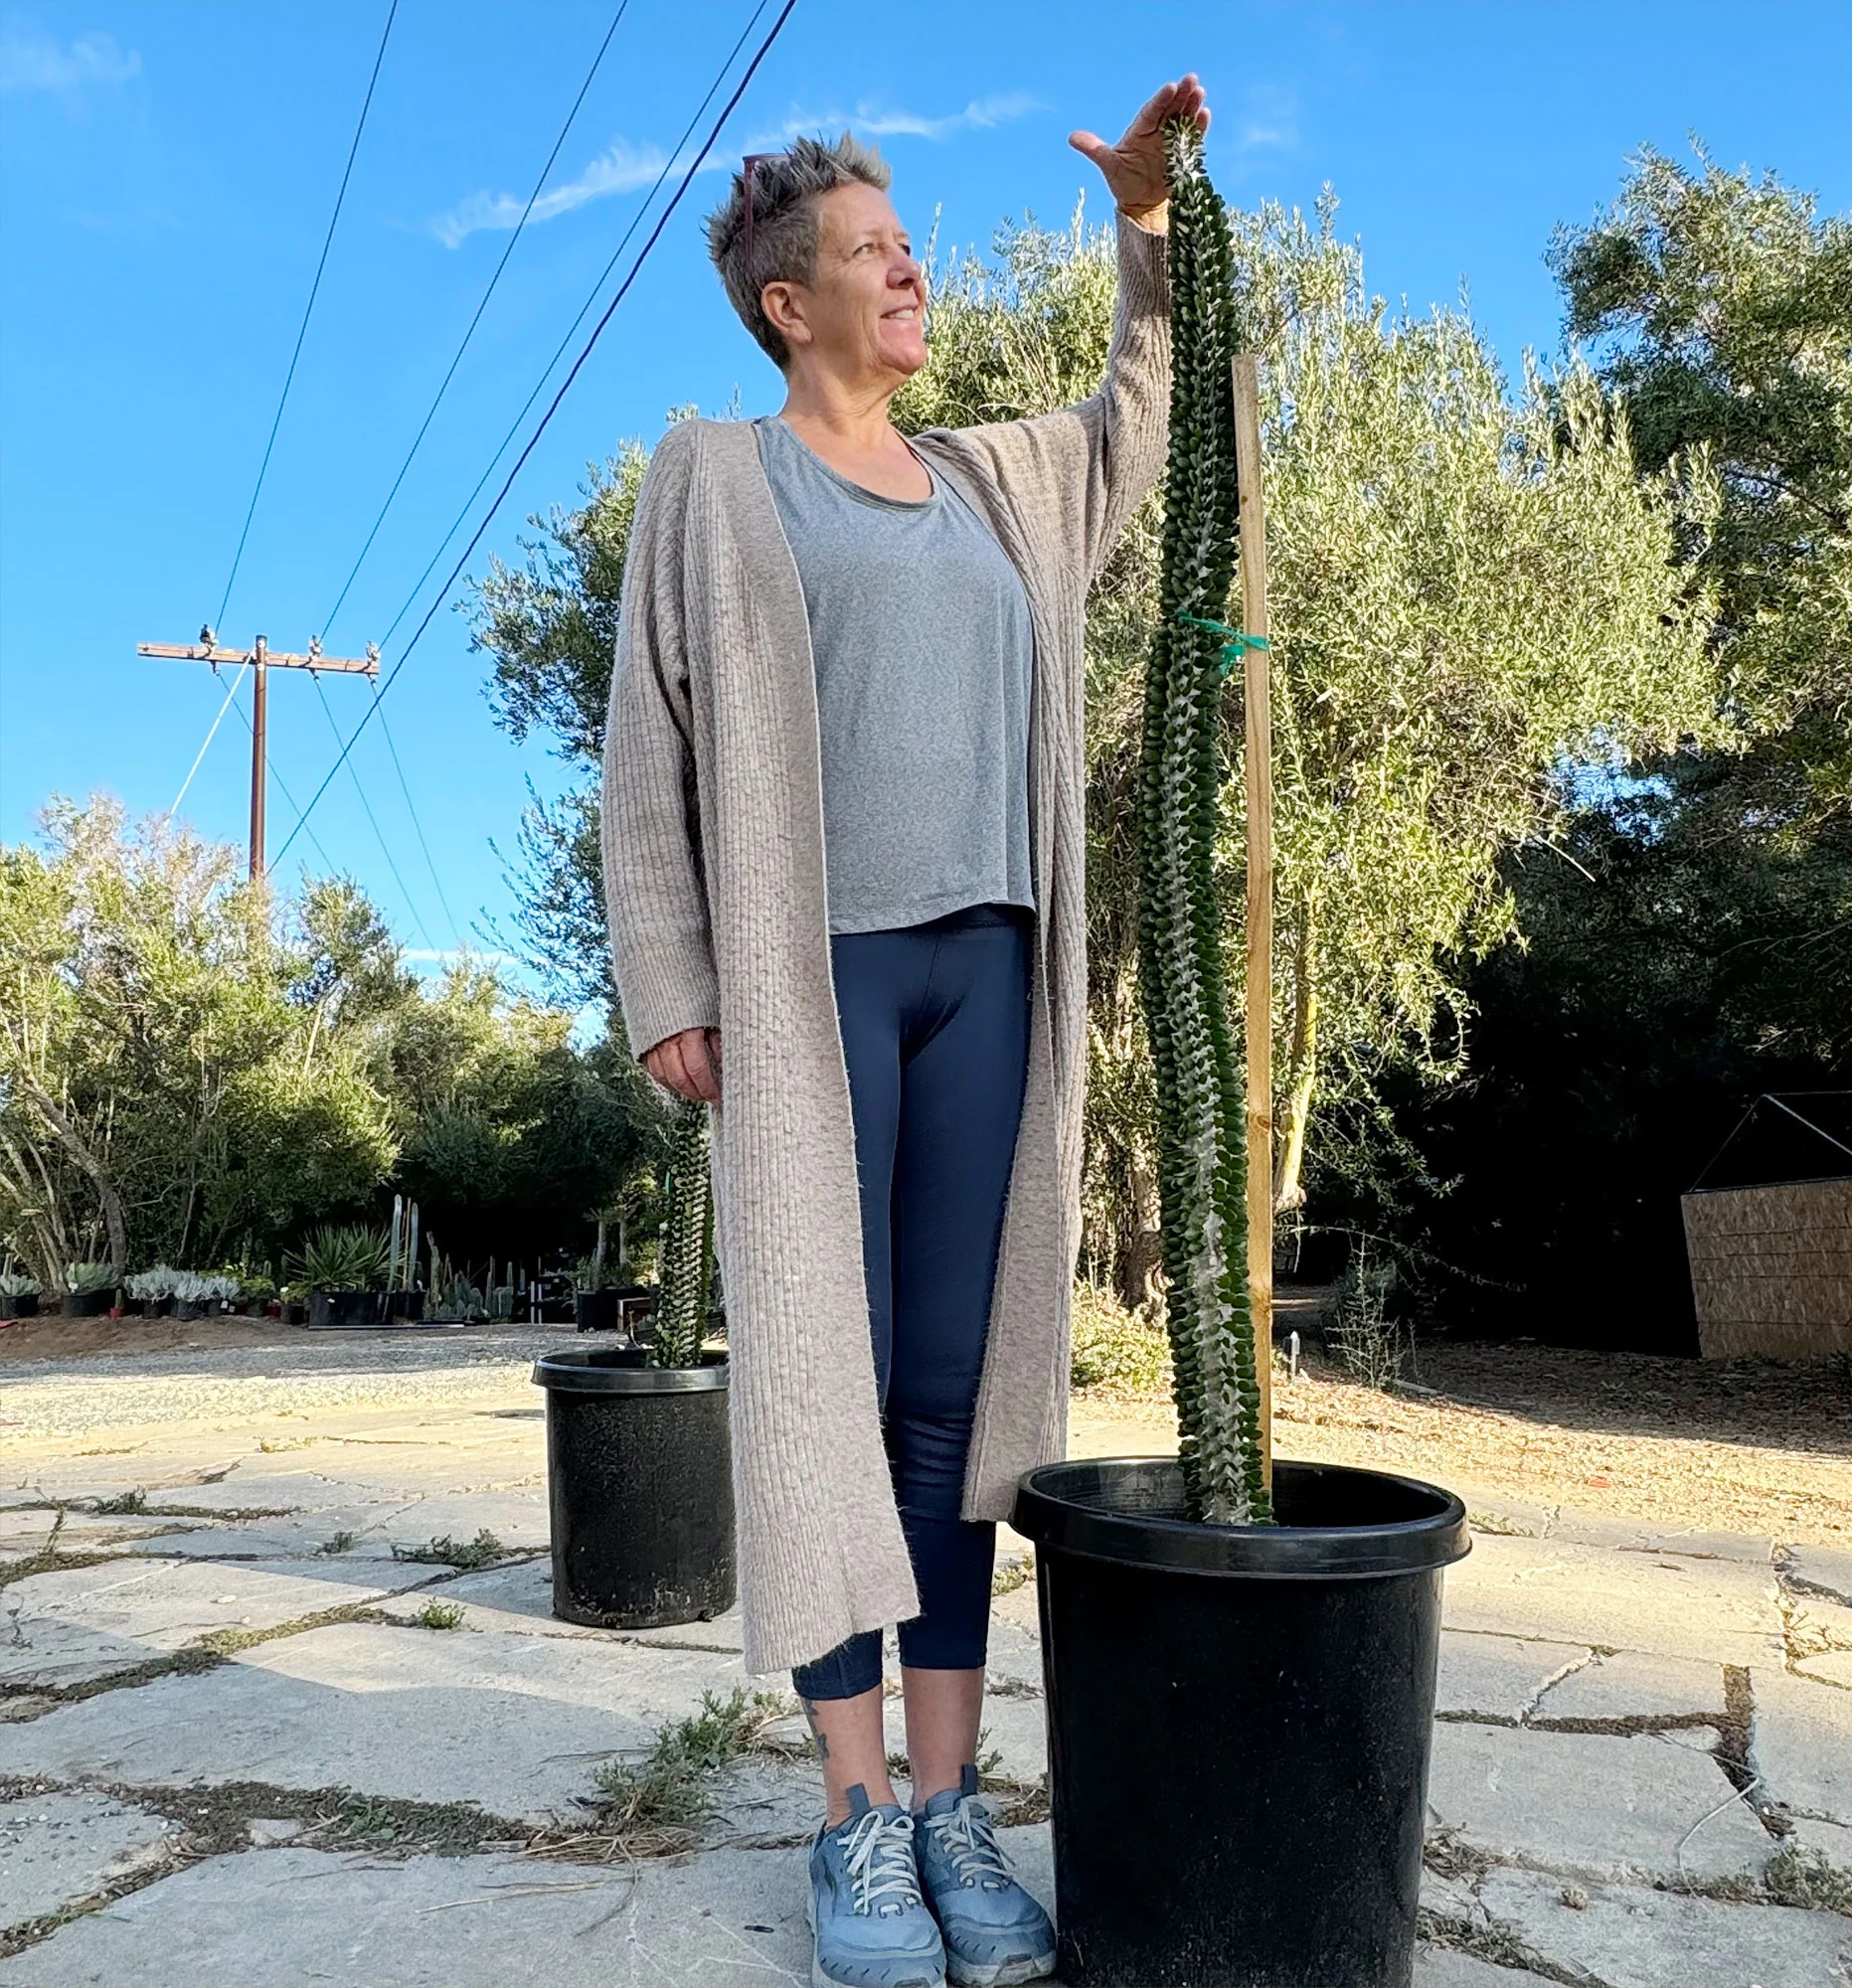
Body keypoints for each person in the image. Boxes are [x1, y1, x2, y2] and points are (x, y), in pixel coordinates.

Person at [600, 75, 1207, 1988]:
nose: (909, 269)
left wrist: (1144, 230)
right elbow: (650, 746)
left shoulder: (990, 481)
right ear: (791, 301)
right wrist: (671, 985)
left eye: (906, 244)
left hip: (992, 971)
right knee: (824, 1395)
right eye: (875, 252)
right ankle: (853, 1819)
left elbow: (1142, 424)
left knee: (955, 1413)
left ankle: (953, 1809)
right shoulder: (715, 473)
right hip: (814, 979)